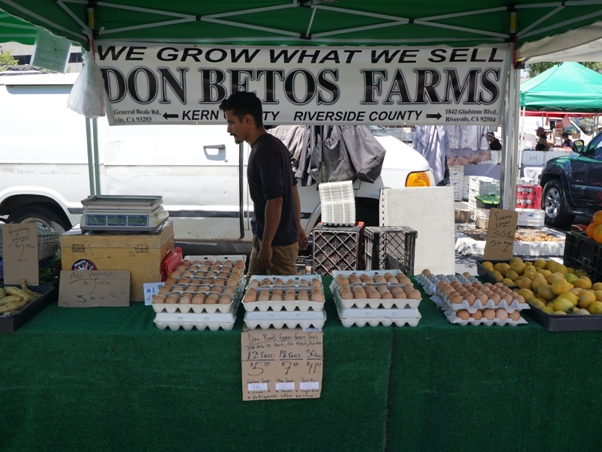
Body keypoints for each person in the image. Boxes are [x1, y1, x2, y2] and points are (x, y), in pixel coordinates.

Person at [219, 91, 308, 276]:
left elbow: (276, 200)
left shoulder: (264, 151)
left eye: (231, 122)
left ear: (248, 119)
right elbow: (292, 190)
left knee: (285, 300)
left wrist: (268, 244)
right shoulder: (272, 145)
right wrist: (297, 226)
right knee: (251, 291)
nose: (229, 129)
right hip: (267, 240)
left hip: (276, 245)